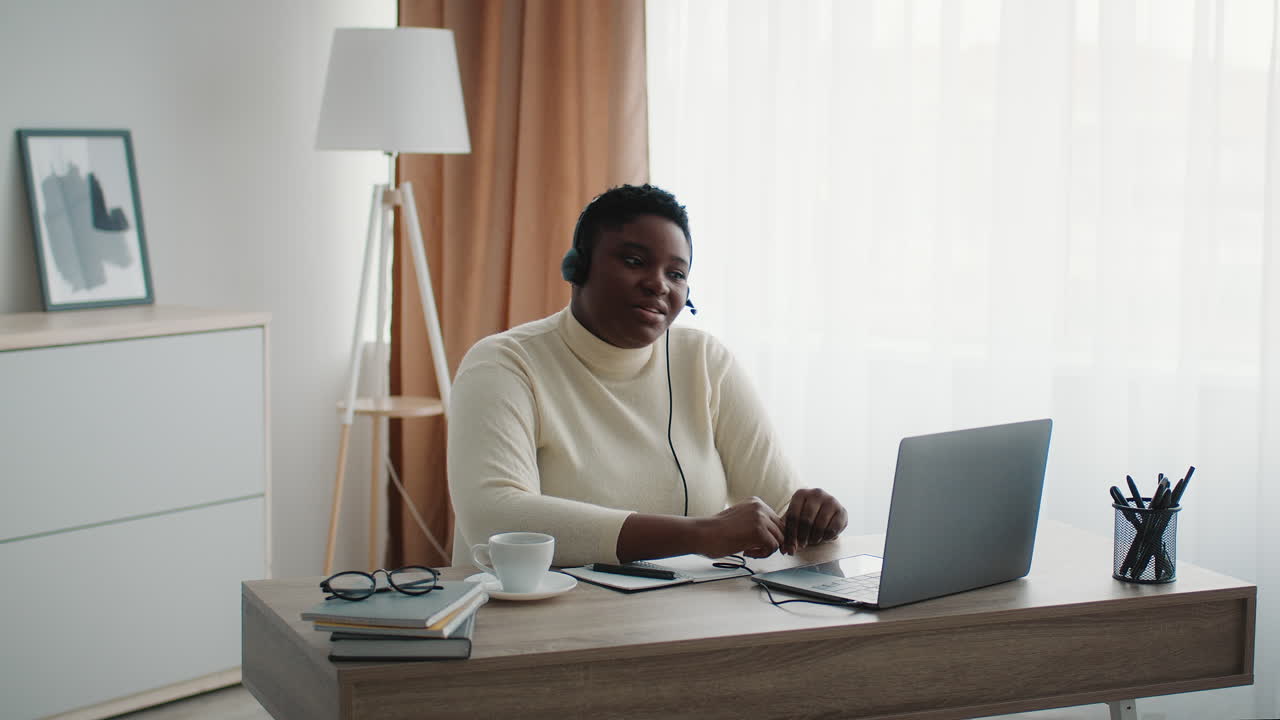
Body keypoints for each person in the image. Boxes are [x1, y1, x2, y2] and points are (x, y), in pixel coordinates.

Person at [447, 184, 847, 568]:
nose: (658, 284)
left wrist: (813, 516)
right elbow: (494, 519)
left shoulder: (704, 360)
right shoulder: (504, 363)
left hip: (681, 618)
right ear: (578, 268)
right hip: (541, 622)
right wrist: (698, 534)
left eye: (676, 274)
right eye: (635, 262)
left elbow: (779, 505)